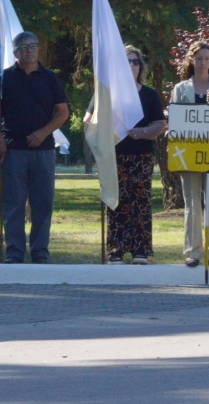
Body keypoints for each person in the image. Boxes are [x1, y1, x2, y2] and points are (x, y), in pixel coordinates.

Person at [0, 31, 69, 264]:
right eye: (23, 47)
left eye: (33, 45)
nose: (29, 50)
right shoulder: (3, 78)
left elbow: (62, 112)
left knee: (42, 204)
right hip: (13, 150)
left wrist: (43, 132)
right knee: (14, 203)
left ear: (38, 49)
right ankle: (14, 253)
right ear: (15, 53)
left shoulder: (50, 78)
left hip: (43, 151)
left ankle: (40, 253)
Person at [84, 46, 166, 264]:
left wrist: (143, 132)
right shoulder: (105, 94)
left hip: (142, 157)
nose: (131, 66)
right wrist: (101, 137)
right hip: (114, 156)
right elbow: (87, 121)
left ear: (141, 66)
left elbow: (160, 124)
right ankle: (116, 249)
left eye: (135, 62)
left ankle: (140, 250)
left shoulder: (149, 95)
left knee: (140, 202)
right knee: (116, 201)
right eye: (126, 62)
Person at [170, 40, 209, 268]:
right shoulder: (180, 89)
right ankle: (193, 251)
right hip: (188, 152)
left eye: (206, 59)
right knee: (192, 203)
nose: (203, 63)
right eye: (198, 59)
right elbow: (175, 121)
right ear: (191, 60)